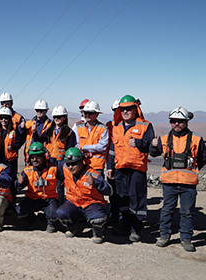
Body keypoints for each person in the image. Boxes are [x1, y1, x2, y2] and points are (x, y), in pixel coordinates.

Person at [150, 107, 206, 252]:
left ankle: (186, 238)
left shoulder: (197, 139)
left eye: (180, 121)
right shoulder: (163, 139)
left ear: (186, 122)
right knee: (167, 210)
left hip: (188, 183)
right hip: (169, 182)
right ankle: (164, 236)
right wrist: (153, 145)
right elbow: (153, 153)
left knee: (187, 212)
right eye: (173, 121)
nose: (176, 124)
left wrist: (192, 169)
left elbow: (203, 157)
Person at [107, 95, 154, 242]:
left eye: (129, 109)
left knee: (137, 199)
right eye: (123, 109)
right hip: (120, 168)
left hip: (137, 169)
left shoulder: (145, 125)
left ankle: (136, 228)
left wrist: (140, 142)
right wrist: (110, 166)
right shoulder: (116, 127)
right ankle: (124, 225)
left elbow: (152, 147)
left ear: (135, 109)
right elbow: (112, 149)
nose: (125, 112)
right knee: (122, 198)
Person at [56, 147, 111, 244]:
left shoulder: (92, 174)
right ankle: (73, 227)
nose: (70, 167)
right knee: (60, 213)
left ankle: (98, 232)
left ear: (81, 162)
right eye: (68, 164)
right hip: (73, 203)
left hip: (91, 204)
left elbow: (109, 191)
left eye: (74, 164)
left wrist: (96, 183)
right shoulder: (65, 168)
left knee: (98, 218)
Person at [15, 142, 62, 233]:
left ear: (44, 156)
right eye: (32, 157)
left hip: (49, 200)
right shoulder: (27, 170)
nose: (35, 159)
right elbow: (19, 186)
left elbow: (66, 180)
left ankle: (51, 222)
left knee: (54, 215)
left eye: (38, 157)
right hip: (32, 199)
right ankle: (32, 219)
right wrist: (19, 183)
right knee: (19, 211)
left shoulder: (54, 168)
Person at [44, 105, 76, 204]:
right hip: (49, 162)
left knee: (59, 185)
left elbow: (69, 149)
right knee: (49, 184)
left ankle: (60, 204)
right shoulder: (49, 131)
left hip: (61, 163)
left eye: (59, 117)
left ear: (64, 117)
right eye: (55, 117)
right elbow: (42, 142)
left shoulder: (69, 133)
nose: (56, 119)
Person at [73, 100, 109, 176]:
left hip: (97, 166)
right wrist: (79, 149)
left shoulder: (103, 129)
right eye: (85, 113)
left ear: (97, 114)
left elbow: (102, 146)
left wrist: (85, 148)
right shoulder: (78, 127)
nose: (87, 115)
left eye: (90, 113)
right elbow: (75, 143)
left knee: (96, 187)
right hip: (81, 164)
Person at [0, 107, 25, 183]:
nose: (3, 120)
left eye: (6, 118)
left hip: (10, 160)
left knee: (11, 178)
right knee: (0, 177)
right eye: (1, 118)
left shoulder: (14, 131)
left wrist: (13, 147)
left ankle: (12, 194)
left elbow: (19, 142)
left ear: (9, 119)